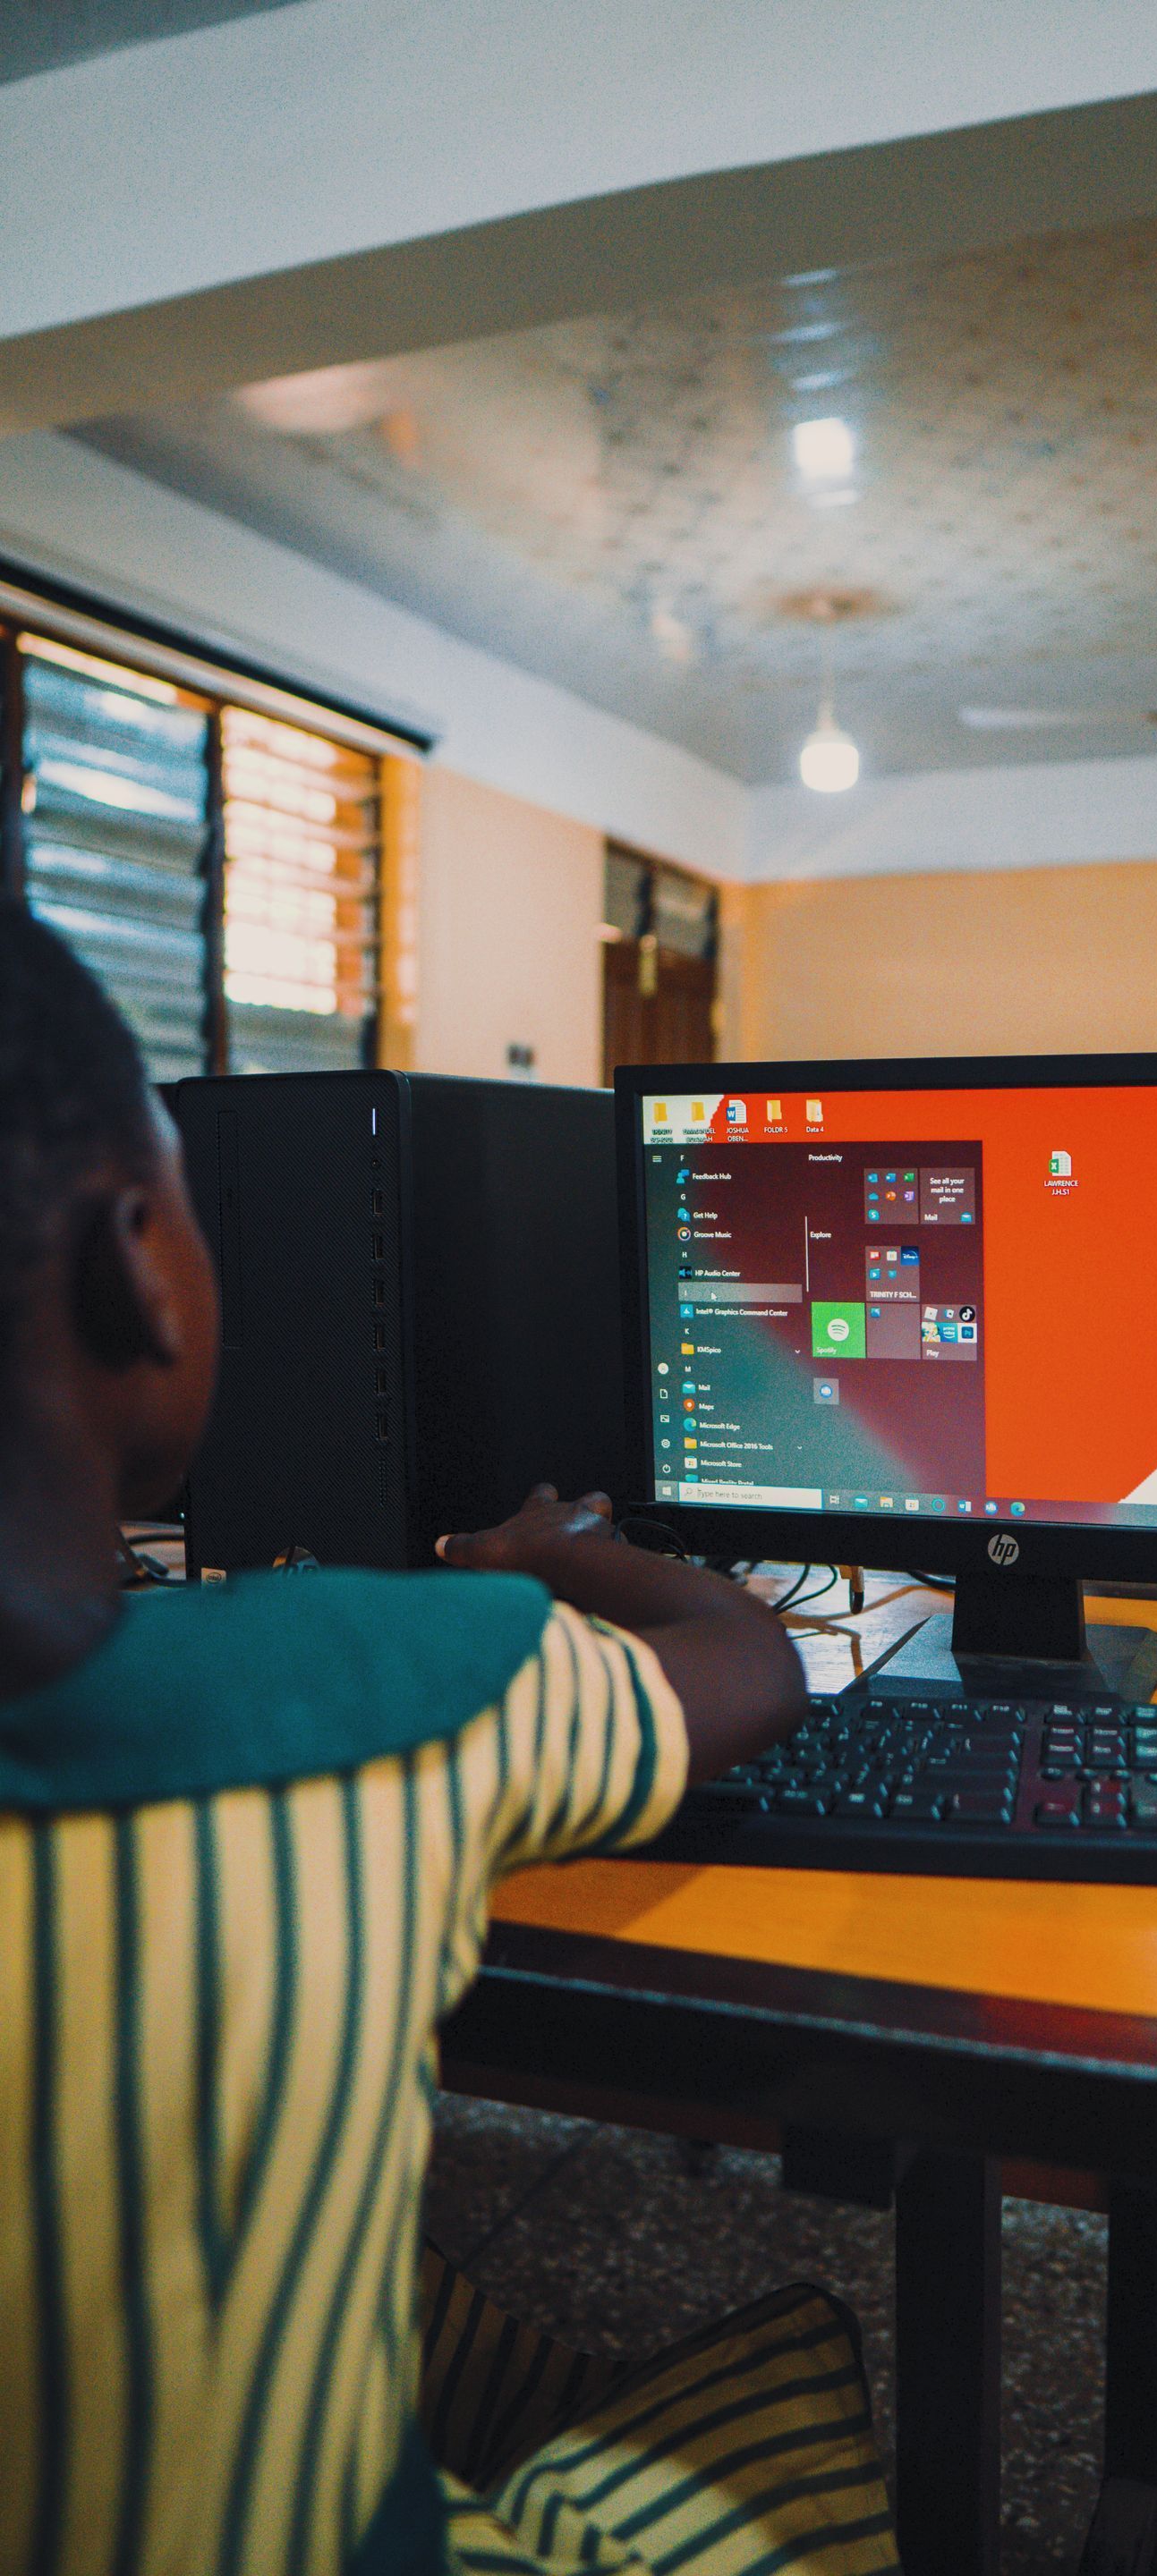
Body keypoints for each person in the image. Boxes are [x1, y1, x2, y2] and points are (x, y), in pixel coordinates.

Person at [0, 904, 899, 2576]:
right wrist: (544, 1556)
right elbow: (752, 1664)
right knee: (793, 2373)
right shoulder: (377, 1688)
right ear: (140, 1262)